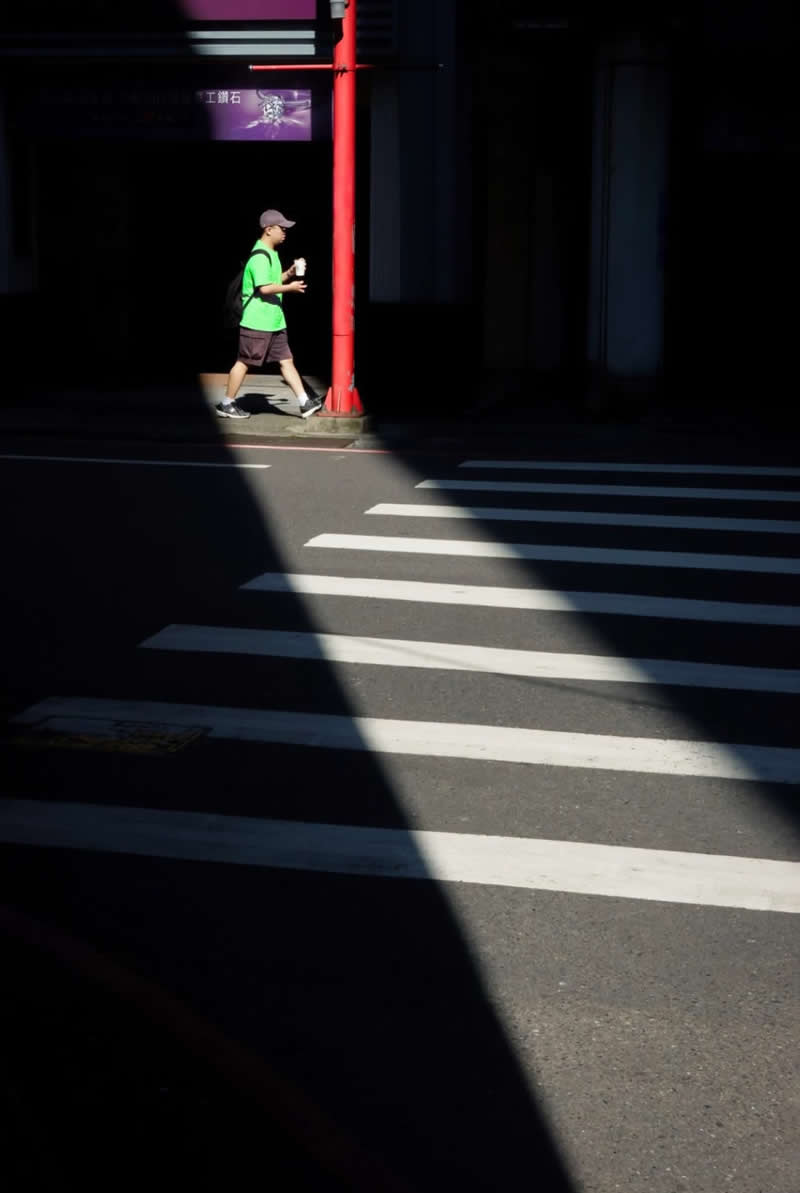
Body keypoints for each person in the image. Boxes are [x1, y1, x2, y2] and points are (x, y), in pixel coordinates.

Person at [217, 209, 322, 420]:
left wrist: (289, 273)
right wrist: (290, 287)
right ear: (268, 229)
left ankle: (304, 402)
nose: (284, 232)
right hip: (257, 321)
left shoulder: (272, 253)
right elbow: (264, 288)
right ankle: (227, 403)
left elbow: (273, 279)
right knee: (244, 362)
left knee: (286, 360)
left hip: (273, 321)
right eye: (281, 228)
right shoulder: (259, 256)